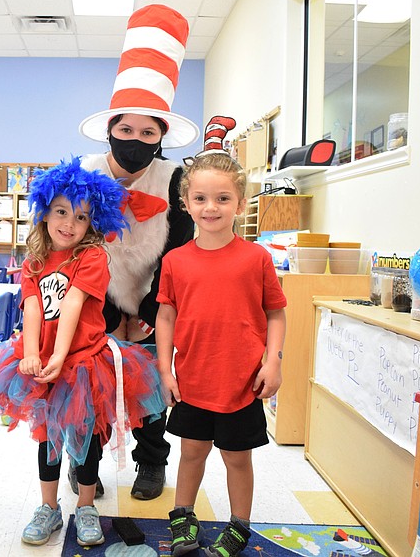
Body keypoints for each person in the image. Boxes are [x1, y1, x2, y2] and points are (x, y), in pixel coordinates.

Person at [0, 157, 167, 547]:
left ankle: (87, 506)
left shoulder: (92, 256)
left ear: (94, 222)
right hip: (40, 361)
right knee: (47, 438)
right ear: (45, 213)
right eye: (61, 212)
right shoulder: (34, 261)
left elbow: (74, 303)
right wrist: (31, 354)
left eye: (81, 217)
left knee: (85, 438)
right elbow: (30, 308)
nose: (69, 224)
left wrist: (59, 357)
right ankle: (48, 508)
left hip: (82, 363)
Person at [75, 3, 201, 500]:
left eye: (147, 133)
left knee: (151, 386)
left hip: (155, 294)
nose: (135, 140)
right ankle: (84, 469)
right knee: (89, 386)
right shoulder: (84, 172)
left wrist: (153, 306)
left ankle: (151, 464)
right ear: (110, 130)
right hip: (89, 295)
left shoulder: (173, 179)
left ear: (160, 138)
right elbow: (70, 238)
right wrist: (102, 303)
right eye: (126, 130)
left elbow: (181, 244)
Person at [155, 153, 287, 557]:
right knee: (191, 451)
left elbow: (275, 313)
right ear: (186, 203)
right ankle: (183, 516)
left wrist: (273, 361)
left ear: (241, 204)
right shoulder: (175, 261)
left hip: (241, 382)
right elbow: (165, 315)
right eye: (200, 198)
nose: (210, 208)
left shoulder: (257, 258)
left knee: (236, 457)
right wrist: (165, 369)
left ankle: (239, 525)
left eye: (222, 199)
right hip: (193, 378)